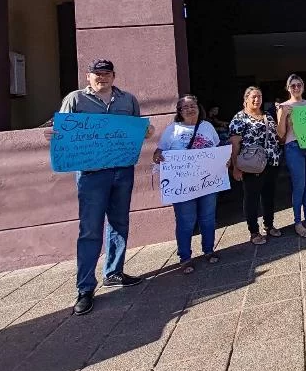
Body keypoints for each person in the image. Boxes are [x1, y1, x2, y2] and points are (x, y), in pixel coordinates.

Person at [44, 59, 154, 316]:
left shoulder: (128, 100)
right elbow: (60, 131)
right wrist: (52, 135)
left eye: (106, 74)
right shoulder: (75, 100)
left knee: (119, 223)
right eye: (97, 74)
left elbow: (138, 129)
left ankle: (114, 272)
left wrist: (145, 132)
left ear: (114, 76)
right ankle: (85, 288)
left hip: (122, 171)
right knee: (90, 229)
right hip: (92, 175)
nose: (102, 78)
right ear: (88, 76)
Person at [153, 95, 221, 274]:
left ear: (199, 108)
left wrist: (224, 161)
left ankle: (209, 250)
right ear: (179, 111)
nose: (190, 109)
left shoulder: (207, 127)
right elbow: (159, 151)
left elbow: (217, 148)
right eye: (186, 107)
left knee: (208, 218)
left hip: (207, 183)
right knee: (186, 221)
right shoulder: (172, 130)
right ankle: (185, 257)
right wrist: (157, 156)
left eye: (193, 106)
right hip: (182, 187)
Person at [229, 86, 283, 244]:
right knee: (251, 198)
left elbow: (277, 137)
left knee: (269, 196)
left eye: (259, 96)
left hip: (271, 162)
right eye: (253, 96)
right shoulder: (239, 118)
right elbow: (235, 144)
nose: (256, 99)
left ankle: (269, 225)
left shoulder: (268, 116)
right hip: (251, 165)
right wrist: (236, 167)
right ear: (245, 99)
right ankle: (253, 231)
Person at [277, 74, 306, 238]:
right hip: (294, 146)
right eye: (293, 86)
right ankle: (298, 222)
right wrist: (283, 115)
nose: (296, 88)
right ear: (288, 88)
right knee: (299, 185)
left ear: (303, 87)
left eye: (299, 85)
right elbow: (281, 134)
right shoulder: (283, 106)